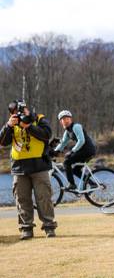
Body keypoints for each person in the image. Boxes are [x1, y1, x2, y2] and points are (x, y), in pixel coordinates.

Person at [0, 100, 57, 239]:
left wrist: (28, 126)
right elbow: (2, 142)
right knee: (22, 199)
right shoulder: (12, 125)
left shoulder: (39, 119)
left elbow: (46, 135)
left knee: (44, 198)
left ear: (28, 109)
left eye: (22, 110)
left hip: (40, 166)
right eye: (15, 112)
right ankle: (26, 228)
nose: (20, 114)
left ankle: (49, 227)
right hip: (19, 167)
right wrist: (8, 126)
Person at [54, 110, 97, 191]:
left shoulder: (76, 126)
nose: (65, 121)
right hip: (83, 151)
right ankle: (92, 184)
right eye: (63, 119)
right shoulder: (67, 131)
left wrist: (72, 151)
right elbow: (62, 143)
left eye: (67, 118)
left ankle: (72, 184)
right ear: (61, 122)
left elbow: (81, 140)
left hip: (87, 150)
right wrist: (54, 152)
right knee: (76, 171)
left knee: (66, 162)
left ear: (71, 119)